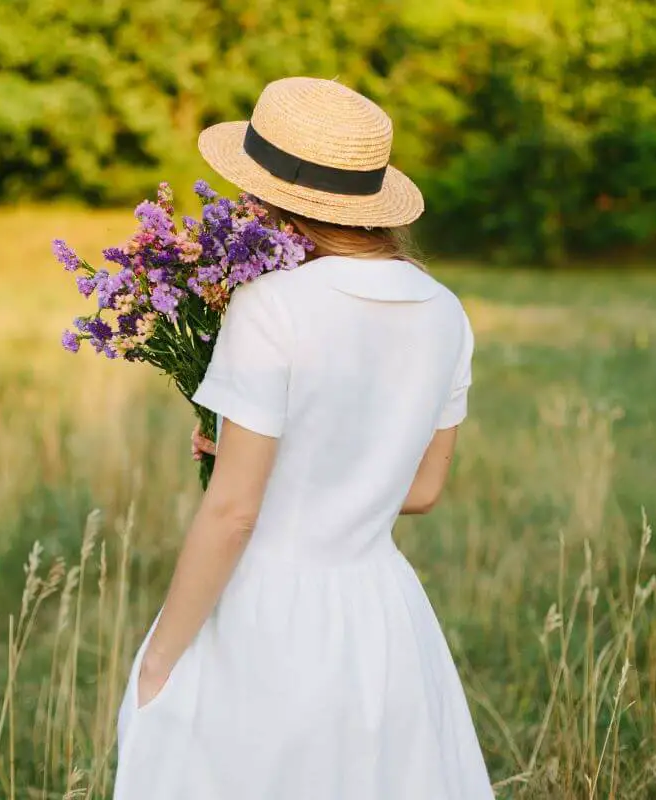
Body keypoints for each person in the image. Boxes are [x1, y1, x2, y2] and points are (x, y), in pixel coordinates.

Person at [114, 76, 494, 799]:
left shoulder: (270, 304)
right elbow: (421, 489)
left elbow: (234, 515)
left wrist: (160, 660)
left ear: (265, 200)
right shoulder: (445, 311)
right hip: (383, 615)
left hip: (269, 611)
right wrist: (262, 459)